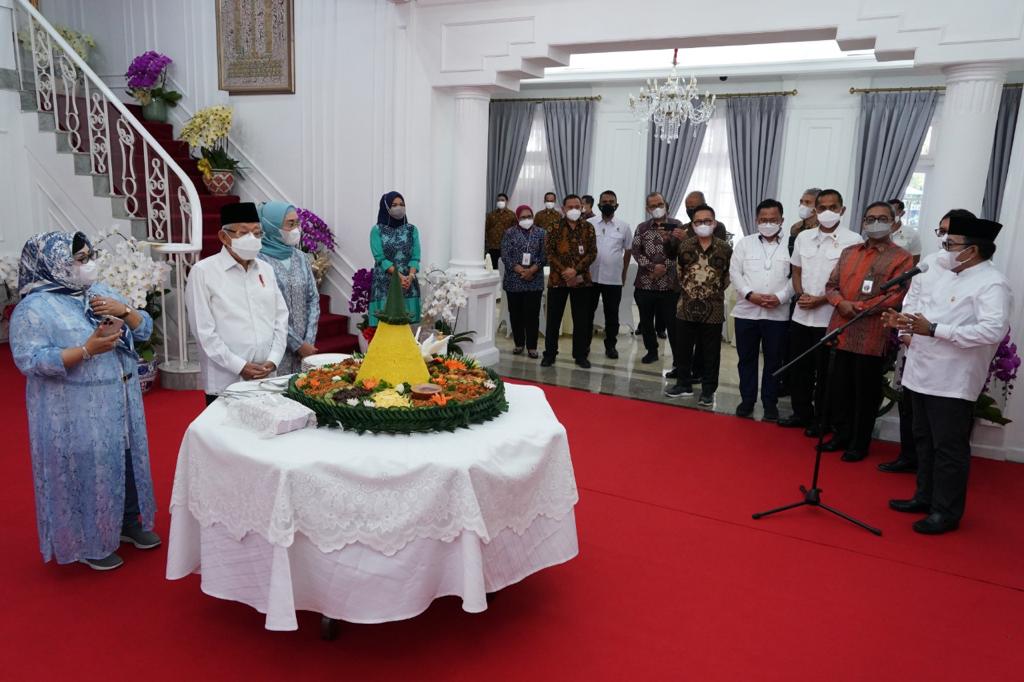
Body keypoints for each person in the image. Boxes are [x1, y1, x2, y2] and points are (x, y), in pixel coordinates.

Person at [11, 231, 160, 571]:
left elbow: (144, 331)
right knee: (85, 467)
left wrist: (126, 311)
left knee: (123, 458)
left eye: (89, 256)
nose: (87, 264)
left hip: (119, 399)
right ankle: (88, 540)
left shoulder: (99, 291)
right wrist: (86, 350)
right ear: (55, 264)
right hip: (72, 410)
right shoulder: (33, 309)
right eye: (79, 259)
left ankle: (127, 523)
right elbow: (30, 361)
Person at [885, 215, 1012, 534]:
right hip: (920, 371)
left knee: (948, 448)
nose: (944, 250)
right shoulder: (945, 274)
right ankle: (924, 496)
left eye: (950, 244)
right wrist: (903, 325)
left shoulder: (991, 283)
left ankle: (947, 511)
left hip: (952, 380)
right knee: (924, 440)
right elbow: (920, 312)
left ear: (972, 250)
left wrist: (936, 330)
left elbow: (992, 330)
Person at [878, 209, 976, 474]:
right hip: (914, 346)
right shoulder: (929, 262)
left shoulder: (974, 271)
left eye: (951, 233)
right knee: (910, 407)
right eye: (941, 231)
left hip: (945, 357)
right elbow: (912, 299)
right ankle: (909, 456)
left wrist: (930, 330)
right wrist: (905, 333)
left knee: (939, 424)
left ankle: (932, 470)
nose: (944, 238)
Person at [820, 201, 914, 462]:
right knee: (839, 389)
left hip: (871, 336)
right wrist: (841, 303)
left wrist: (858, 307)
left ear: (893, 222)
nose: (876, 223)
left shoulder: (901, 257)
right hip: (840, 330)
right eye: (870, 218)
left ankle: (859, 443)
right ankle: (840, 435)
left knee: (865, 393)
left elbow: (896, 295)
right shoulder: (850, 252)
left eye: (882, 218)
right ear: (863, 222)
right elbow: (831, 285)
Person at [186, 202, 290, 405]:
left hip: (267, 376)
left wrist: (274, 359)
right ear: (224, 237)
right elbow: (203, 331)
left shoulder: (266, 269)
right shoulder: (203, 272)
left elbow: (280, 317)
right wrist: (240, 366)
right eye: (243, 233)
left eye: (257, 233)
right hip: (226, 381)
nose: (252, 239)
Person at [778, 189, 863, 431]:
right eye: (822, 207)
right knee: (799, 369)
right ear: (815, 211)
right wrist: (801, 293)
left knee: (828, 373)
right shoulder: (804, 237)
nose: (827, 212)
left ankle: (822, 419)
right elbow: (796, 270)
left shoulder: (854, 240)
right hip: (801, 315)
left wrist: (821, 300)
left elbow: (850, 282)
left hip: (831, 318)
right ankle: (800, 413)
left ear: (842, 210)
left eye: (833, 207)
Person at [729, 199, 793, 421]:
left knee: (774, 361)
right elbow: (735, 272)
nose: (767, 223)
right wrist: (750, 294)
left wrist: (781, 297)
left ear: (781, 220)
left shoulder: (792, 245)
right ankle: (747, 400)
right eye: (763, 220)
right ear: (756, 221)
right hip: (747, 312)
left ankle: (770, 403)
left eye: (772, 220)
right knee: (746, 359)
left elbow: (797, 275)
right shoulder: (745, 243)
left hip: (778, 314)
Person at [665, 204, 731, 406]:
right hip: (686, 305)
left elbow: (727, 277)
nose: (703, 224)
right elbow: (680, 273)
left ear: (715, 223)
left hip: (713, 307)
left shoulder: (725, 248)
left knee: (711, 352)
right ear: (692, 225)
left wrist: (712, 292)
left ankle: (708, 390)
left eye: (707, 221)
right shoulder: (684, 246)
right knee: (683, 348)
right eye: (698, 221)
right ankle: (683, 384)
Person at [257, 201, 320, 375]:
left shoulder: (300, 257)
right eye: (290, 224)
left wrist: (308, 340)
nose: (296, 229)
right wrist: (297, 344)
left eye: (297, 223)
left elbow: (313, 298)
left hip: (306, 349)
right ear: (271, 226)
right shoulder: (258, 260)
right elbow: (266, 309)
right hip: (275, 347)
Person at [541, 194, 597, 369]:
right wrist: (565, 271)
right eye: (570, 206)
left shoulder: (588, 228)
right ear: (563, 208)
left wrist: (575, 270)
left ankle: (580, 355)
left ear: (582, 207)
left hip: (582, 281)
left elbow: (592, 253)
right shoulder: (554, 227)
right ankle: (550, 354)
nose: (574, 209)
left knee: (581, 320)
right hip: (558, 280)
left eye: (577, 206)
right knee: (553, 320)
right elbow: (549, 253)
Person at [631, 191, 683, 366]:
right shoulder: (642, 227)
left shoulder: (677, 225)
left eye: (660, 204)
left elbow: (681, 250)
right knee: (646, 321)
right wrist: (653, 267)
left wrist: (664, 267)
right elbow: (636, 251)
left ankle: (678, 358)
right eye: (653, 205)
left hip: (669, 285)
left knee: (672, 323)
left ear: (665, 204)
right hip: (645, 284)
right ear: (648, 208)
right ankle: (651, 351)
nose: (657, 208)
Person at [587, 190, 633, 359]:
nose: (607, 204)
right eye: (604, 201)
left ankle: (611, 346)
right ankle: (585, 345)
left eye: (611, 201)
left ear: (616, 204)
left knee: (612, 315)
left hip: (613, 278)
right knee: (587, 313)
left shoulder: (624, 226)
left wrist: (624, 273)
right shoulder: (589, 224)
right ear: (599, 204)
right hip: (591, 278)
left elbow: (628, 251)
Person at [369, 191, 421, 325]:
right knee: (386, 328)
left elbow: (415, 257)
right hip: (385, 284)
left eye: (402, 204)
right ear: (386, 207)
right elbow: (380, 258)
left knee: (406, 328)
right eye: (394, 204)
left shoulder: (412, 230)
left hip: (408, 284)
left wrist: (410, 276)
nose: (399, 207)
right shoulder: (377, 230)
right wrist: (399, 276)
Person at [501, 204, 546, 358]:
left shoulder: (541, 233)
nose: (526, 219)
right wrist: (521, 270)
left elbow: (544, 255)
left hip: (534, 280)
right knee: (516, 314)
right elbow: (505, 255)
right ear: (517, 218)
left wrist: (532, 270)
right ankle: (519, 343)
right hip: (514, 280)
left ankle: (532, 346)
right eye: (523, 217)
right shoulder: (509, 233)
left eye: (529, 216)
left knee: (532, 315)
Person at [485, 192, 517, 269]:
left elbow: (515, 231)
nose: (500, 202)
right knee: (492, 267)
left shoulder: (512, 215)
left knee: (505, 268)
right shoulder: (491, 215)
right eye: (498, 200)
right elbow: (486, 229)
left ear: (507, 201)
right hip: (493, 247)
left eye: (502, 200)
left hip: (506, 246)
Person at [888, 197, 922, 265]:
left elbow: (915, 259)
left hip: (901, 273)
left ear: (902, 213)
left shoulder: (912, 234)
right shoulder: (878, 232)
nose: (890, 215)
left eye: (893, 211)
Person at [789, 187, 821, 253]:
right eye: (801, 202)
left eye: (807, 202)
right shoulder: (795, 228)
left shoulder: (823, 228)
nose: (802, 205)